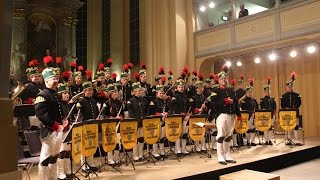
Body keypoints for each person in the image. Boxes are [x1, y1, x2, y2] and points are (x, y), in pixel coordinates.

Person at [35, 67, 68, 180]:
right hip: (49, 130)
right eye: (53, 78)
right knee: (45, 158)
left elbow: (58, 111)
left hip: (58, 130)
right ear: (46, 81)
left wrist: (63, 120)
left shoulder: (55, 94)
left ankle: (53, 178)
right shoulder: (42, 95)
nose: (56, 80)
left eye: (56, 78)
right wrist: (56, 126)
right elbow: (41, 115)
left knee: (54, 156)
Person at [210, 65, 242, 165]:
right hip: (221, 115)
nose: (224, 80)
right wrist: (225, 101)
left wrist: (239, 115)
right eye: (222, 78)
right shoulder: (215, 92)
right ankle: (220, 156)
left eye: (225, 78)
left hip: (232, 116)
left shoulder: (232, 91)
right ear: (218, 80)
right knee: (221, 136)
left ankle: (227, 155)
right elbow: (213, 104)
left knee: (228, 136)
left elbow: (236, 104)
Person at [78, 77, 99, 172]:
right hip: (84, 126)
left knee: (92, 145)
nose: (90, 92)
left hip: (92, 126)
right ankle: (84, 165)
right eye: (88, 90)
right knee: (84, 146)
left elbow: (96, 113)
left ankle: (91, 163)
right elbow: (79, 115)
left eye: (91, 90)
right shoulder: (81, 101)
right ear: (84, 91)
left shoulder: (94, 101)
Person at [127, 81, 149, 162]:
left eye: (140, 90)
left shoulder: (144, 100)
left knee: (142, 138)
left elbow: (147, 110)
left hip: (143, 122)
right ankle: (135, 155)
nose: (140, 92)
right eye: (138, 91)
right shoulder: (131, 101)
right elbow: (131, 113)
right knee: (135, 139)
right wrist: (136, 120)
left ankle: (141, 154)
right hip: (135, 122)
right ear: (134, 92)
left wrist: (145, 118)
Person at [102, 83, 124, 165]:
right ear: (110, 94)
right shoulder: (107, 103)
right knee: (110, 142)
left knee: (118, 142)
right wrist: (112, 118)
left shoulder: (120, 103)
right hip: (109, 125)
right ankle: (110, 159)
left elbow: (122, 113)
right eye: (114, 92)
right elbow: (103, 115)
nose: (116, 93)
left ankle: (116, 158)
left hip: (118, 124)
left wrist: (121, 117)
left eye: (117, 92)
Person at [280, 72, 302, 146]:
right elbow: (282, 105)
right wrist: (285, 108)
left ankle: (297, 140)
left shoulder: (297, 95)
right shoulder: (283, 96)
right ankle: (288, 140)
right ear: (286, 88)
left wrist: (294, 107)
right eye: (288, 87)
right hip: (287, 114)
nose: (289, 88)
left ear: (292, 87)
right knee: (288, 127)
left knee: (296, 127)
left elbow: (299, 103)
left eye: (290, 87)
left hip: (295, 113)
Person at [149, 85, 171, 160]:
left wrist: (166, 113)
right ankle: (155, 152)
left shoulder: (164, 102)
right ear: (156, 94)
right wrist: (161, 114)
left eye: (162, 93)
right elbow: (151, 112)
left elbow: (168, 110)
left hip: (164, 121)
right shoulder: (153, 102)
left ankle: (162, 151)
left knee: (162, 137)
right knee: (156, 137)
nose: (161, 95)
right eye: (160, 93)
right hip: (156, 121)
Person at [56, 83, 72, 180]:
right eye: (64, 93)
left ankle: (67, 171)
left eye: (67, 93)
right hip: (60, 131)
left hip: (67, 130)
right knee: (61, 152)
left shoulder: (67, 105)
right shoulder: (58, 105)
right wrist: (61, 123)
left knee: (67, 152)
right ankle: (60, 173)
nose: (67, 95)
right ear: (60, 94)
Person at [171, 78, 191, 156]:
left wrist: (188, 114)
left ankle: (184, 149)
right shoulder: (175, 96)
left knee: (184, 133)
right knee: (178, 133)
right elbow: (174, 107)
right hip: (179, 116)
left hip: (186, 117)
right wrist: (181, 113)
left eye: (182, 87)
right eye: (179, 87)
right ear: (177, 88)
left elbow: (188, 106)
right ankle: (177, 150)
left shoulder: (186, 96)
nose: (181, 88)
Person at [190, 76, 208, 152]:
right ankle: (197, 146)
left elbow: (207, 108)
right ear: (196, 89)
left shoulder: (204, 97)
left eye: (201, 88)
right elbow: (191, 108)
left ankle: (203, 146)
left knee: (203, 132)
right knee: (196, 132)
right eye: (199, 88)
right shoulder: (193, 97)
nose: (200, 89)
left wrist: (204, 107)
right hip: (196, 117)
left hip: (202, 116)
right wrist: (198, 110)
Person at [240, 80, 259, 146]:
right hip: (247, 117)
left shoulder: (254, 100)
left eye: (251, 92)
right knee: (248, 129)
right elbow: (242, 109)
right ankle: (248, 142)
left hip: (254, 116)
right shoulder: (243, 101)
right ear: (246, 93)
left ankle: (252, 141)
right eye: (248, 92)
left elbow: (257, 108)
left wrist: (255, 114)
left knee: (253, 129)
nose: (250, 93)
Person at [260, 77, 277, 145]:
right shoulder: (262, 100)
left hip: (272, 115)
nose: (267, 92)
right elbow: (261, 108)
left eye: (268, 91)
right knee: (266, 128)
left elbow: (275, 107)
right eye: (265, 91)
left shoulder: (273, 99)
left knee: (270, 128)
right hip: (265, 116)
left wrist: (274, 115)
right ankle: (266, 140)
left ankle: (270, 140)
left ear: (270, 91)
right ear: (264, 92)